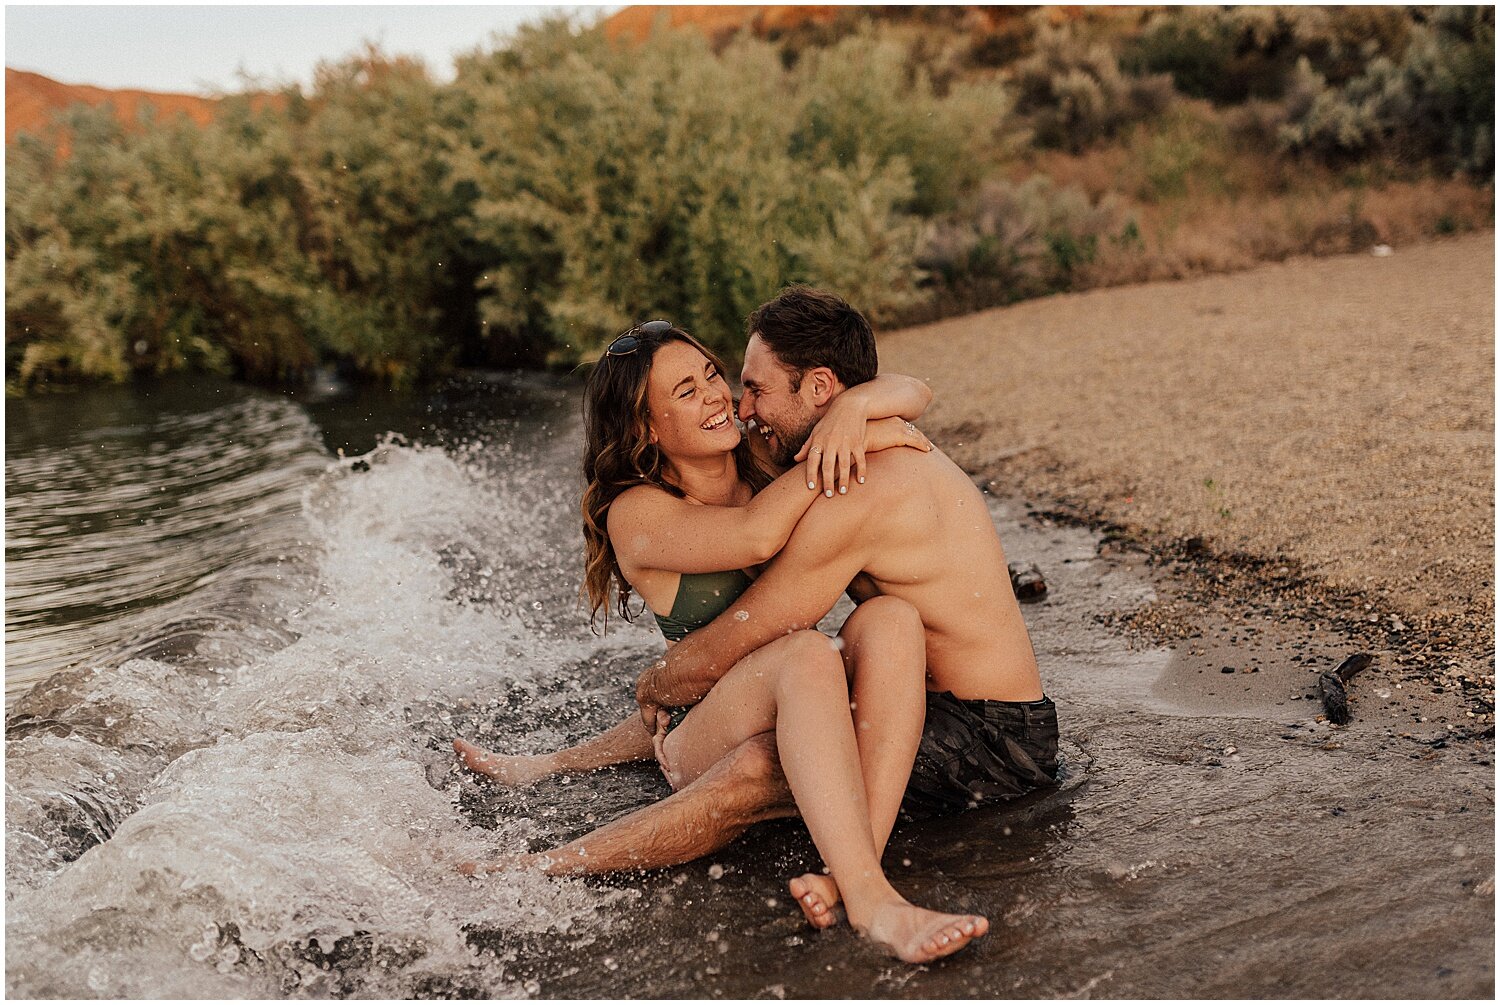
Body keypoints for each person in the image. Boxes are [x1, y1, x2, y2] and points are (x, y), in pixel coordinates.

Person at [455, 320, 987, 963]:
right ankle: (874, 902)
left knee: (892, 619)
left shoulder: (757, 460)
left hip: (773, 686)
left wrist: (853, 409)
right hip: (699, 727)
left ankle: (852, 858)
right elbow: (758, 536)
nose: (715, 396)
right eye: (686, 390)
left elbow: (917, 390)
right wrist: (855, 438)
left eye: (712, 375)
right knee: (805, 653)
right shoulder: (638, 512)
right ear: (647, 428)